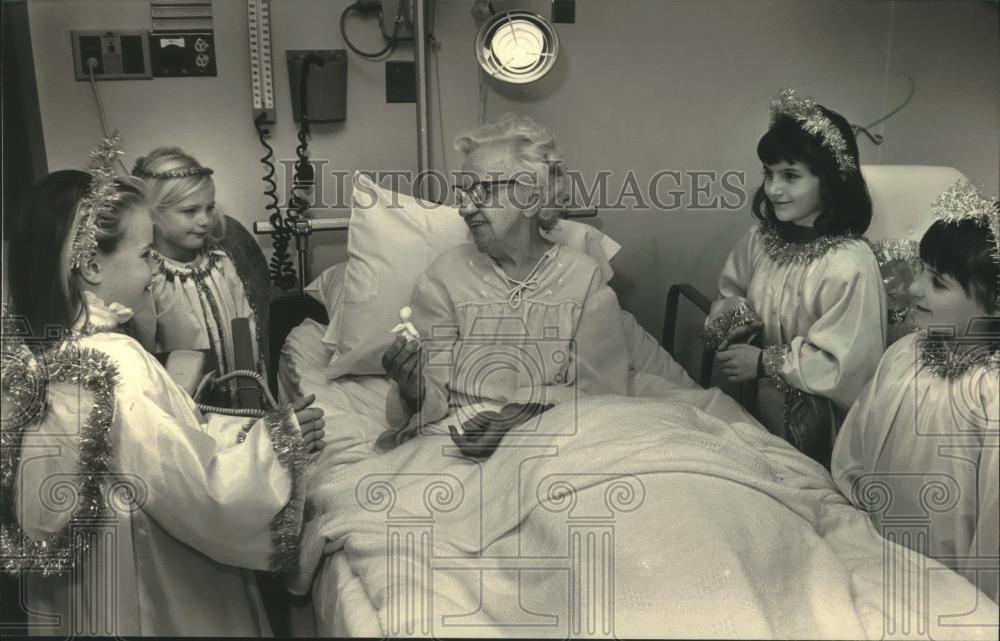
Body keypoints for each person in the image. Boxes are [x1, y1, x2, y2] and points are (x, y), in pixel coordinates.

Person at [1, 138, 326, 635]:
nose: (155, 270)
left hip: (86, 590)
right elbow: (199, 489)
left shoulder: (41, 353)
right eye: (146, 254)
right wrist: (278, 444)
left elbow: (151, 449)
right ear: (91, 267)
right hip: (149, 579)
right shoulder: (116, 363)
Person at [377, 113, 634, 454]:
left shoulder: (582, 278)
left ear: (530, 198)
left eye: (481, 190)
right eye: (462, 193)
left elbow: (603, 395)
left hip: (559, 436)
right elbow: (432, 392)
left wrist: (517, 417)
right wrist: (414, 389)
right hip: (461, 436)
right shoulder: (445, 276)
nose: (464, 208)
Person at [832, 182, 999, 603]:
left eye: (938, 282)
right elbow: (857, 448)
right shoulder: (907, 352)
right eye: (921, 269)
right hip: (874, 552)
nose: (915, 289)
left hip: (950, 590)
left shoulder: (991, 397)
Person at [703, 88, 887, 466]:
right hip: (756, 403)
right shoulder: (760, 240)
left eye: (791, 176)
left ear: (830, 181)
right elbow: (730, 290)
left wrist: (765, 362)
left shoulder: (850, 263)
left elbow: (851, 366)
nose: (773, 189)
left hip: (820, 425)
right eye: (769, 174)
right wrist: (737, 322)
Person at [130, 147, 263, 403]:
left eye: (209, 208)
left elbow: (245, 324)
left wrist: (251, 391)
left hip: (239, 395)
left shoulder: (221, 265)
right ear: (152, 214)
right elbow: (144, 351)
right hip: (184, 403)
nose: (205, 220)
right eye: (190, 211)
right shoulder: (151, 279)